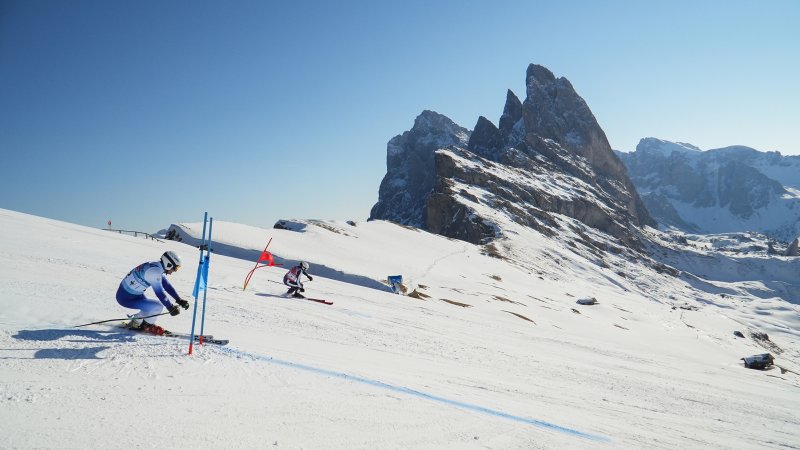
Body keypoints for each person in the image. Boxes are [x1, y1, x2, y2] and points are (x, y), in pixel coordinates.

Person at [116, 250, 190, 335]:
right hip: (126, 298)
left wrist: (179, 299)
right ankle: (146, 326)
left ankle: (136, 322)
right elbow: (159, 293)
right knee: (157, 307)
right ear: (168, 264)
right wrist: (170, 307)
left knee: (150, 308)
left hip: (133, 294)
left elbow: (166, 285)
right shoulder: (154, 272)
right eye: (175, 268)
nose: (175, 271)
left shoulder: (157, 267)